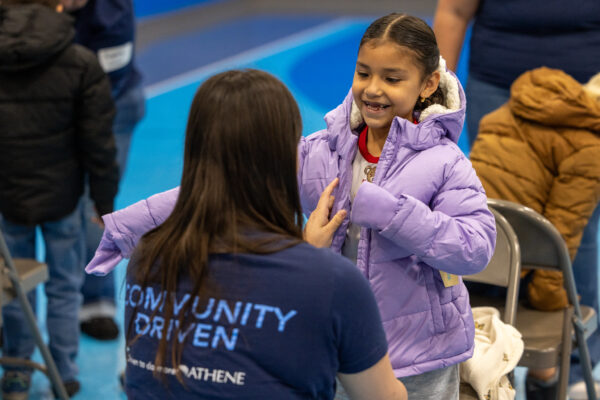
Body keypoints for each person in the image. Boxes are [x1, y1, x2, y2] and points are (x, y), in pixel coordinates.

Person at [87, 14, 497, 399]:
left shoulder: (446, 162)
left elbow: (475, 248)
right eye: (364, 73)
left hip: (418, 357)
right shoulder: (324, 151)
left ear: (427, 85)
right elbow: (229, 185)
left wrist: (392, 213)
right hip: (334, 345)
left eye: (392, 78)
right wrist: (129, 227)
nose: (373, 89)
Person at [88, 69, 408, 399]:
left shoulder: (149, 254)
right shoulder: (333, 282)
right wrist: (313, 263)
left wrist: (306, 256)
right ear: (285, 158)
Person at [433, 2, 600, 397]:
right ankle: (490, 353)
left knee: (581, 226)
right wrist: (433, 99)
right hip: (497, 88)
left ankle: (573, 369)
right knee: (496, 221)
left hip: (587, 94)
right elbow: (454, 12)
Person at [0, 0, 119, 398]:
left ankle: (15, 370)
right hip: (65, 197)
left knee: (15, 284)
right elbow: (99, 143)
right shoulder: (80, 61)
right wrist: (104, 203)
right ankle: (63, 371)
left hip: (8, 197)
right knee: (66, 285)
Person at [469, 67, 600, 400]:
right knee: (553, 304)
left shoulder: (518, 104)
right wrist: (550, 300)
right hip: (510, 266)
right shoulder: (591, 148)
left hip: (460, 256)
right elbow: (562, 231)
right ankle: (547, 383)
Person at [60, 0, 145, 341]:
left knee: (93, 204)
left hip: (112, 106)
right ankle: (12, 311)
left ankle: (96, 303)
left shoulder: (112, 14)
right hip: (44, 108)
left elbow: (104, 82)